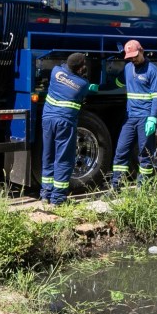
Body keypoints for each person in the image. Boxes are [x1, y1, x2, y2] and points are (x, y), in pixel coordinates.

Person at [41, 53, 97, 205]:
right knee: (63, 159)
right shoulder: (82, 84)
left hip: (47, 120)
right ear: (81, 67)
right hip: (64, 122)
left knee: (48, 156)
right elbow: (84, 90)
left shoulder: (55, 71)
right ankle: (58, 198)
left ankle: (45, 194)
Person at [109, 40, 157, 190]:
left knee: (144, 154)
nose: (133, 59)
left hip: (145, 118)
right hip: (130, 118)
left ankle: (143, 188)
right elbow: (118, 83)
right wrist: (98, 87)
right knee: (120, 151)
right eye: (130, 57)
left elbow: (156, 97)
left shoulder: (152, 71)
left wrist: (153, 118)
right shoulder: (127, 68)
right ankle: (115, 187)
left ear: (142, 51)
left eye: (135, 56)